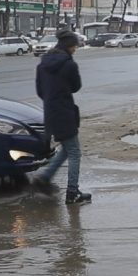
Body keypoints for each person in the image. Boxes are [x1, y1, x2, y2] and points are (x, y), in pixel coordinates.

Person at [30, 30, 92, 204]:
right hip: (65, 112)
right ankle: (72, 193)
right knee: (74, 152)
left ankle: (43, 178)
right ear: (68, 46)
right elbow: (76, 86)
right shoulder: (69, 64)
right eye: (74, 46)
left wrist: (52, 99)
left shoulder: (42, 64)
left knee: (66, 149)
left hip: (50, 111)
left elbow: (40, 91)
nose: (75, 49)